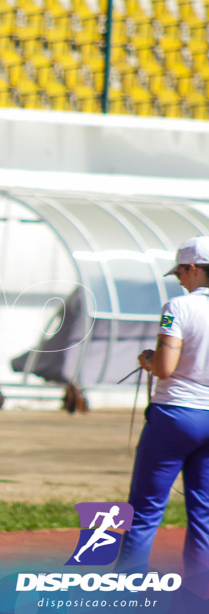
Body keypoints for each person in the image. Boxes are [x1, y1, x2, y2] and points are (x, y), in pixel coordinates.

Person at [116, 235, 209, 582]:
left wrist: (148, 359)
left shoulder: (179, 306)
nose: (181, 281)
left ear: (192, 269)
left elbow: (165, 367)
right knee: (204, 514)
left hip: (175, 413)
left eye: (181, 273)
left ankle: (126, 591)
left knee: (144, 511)